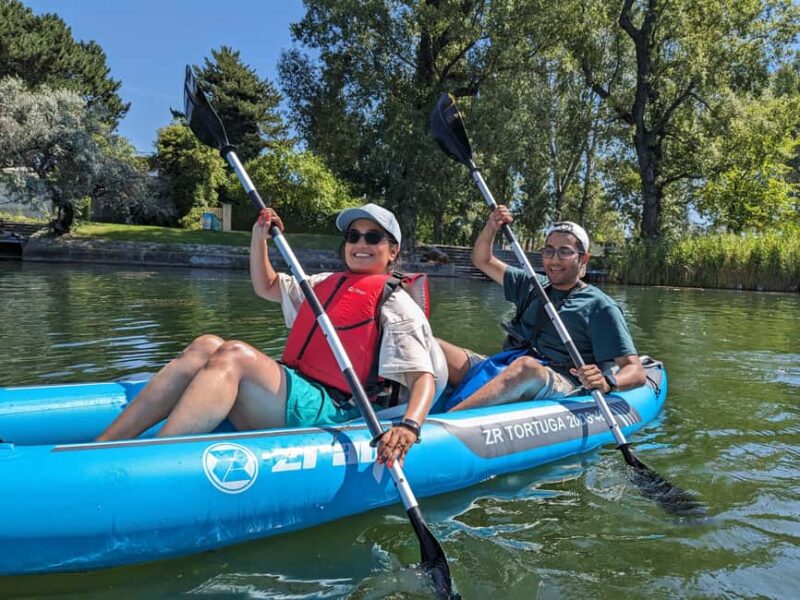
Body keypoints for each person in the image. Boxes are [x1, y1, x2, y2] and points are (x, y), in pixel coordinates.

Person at [98, 203, 447, 468]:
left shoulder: (397, 304)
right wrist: (258, 238)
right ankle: (104, 446)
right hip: (297, 386)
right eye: (353, 236)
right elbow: (266, 285)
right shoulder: (323, 283)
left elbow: (423, 378)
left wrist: (409, 427)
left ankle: (149, 463)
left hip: (335, 407)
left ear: (393, 250)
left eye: (373, 238)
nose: (360, 244)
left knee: (233, 354)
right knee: (207, 344)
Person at [439, 205, 645, 411]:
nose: (554, 260)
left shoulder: (600, 306)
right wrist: (492, 225)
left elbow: (635, 370)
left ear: (583, 258)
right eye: (549, 251)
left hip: (560, 379)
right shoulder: (531, 284)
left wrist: (608, 383)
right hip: (509, 363)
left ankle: (446, 422)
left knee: (525, 367)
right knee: (432, 344)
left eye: (565, 252)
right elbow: (482, 260)